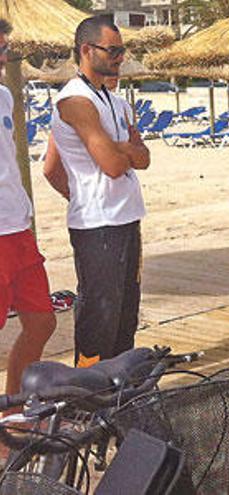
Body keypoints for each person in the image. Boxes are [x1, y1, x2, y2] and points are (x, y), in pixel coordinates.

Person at [50, 15, 150, 367]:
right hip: (98, 225)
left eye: (123, 49)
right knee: (99, 321)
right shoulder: (74, 100)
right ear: (87, 50)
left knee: (125, 318)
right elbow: (112, 163)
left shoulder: (113, 100)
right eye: (114, 50)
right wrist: (121, 151)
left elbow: (144, 157)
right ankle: (88, 403)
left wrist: (120, 149)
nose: (121, 56)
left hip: (126, 217)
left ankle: (119, 400)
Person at [0, 18, 57, 399]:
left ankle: (12, 413)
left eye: (5, 48)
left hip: (18, 228)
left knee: (42, 322)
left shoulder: (5, 95)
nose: (4, 55)